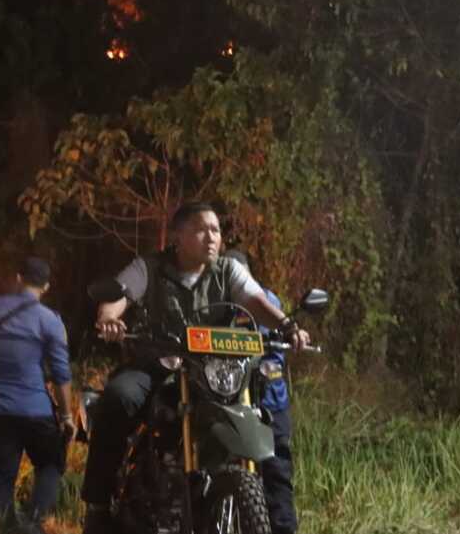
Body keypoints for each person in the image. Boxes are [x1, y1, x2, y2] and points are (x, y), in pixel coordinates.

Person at [83, 202, 310, 534]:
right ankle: (98, 505)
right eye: (202, 229)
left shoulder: (228, 270)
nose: (212, 237)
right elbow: (120, 295)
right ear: (178, 236)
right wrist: (108, 320)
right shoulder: (150, 267)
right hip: (159, 366)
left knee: (264, 416)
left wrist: (288, 327)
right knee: (119, 397)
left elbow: (256, 301)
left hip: (210, 372)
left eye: (216, 230)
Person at [0, 257, 75, 532]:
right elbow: (62, 375)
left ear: (18, 278)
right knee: (51, 463)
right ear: (47, 286)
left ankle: (6, 529)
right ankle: (34, 522)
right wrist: (66, 416)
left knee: (1, 479)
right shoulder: (51, 321)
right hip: (36, 411)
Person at [224, 248, 298, 534]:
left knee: (277, 473)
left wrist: (291, 333)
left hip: (268, 400)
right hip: (226, 398)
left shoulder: (267, 301)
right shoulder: (213, 303)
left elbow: (283, 333)